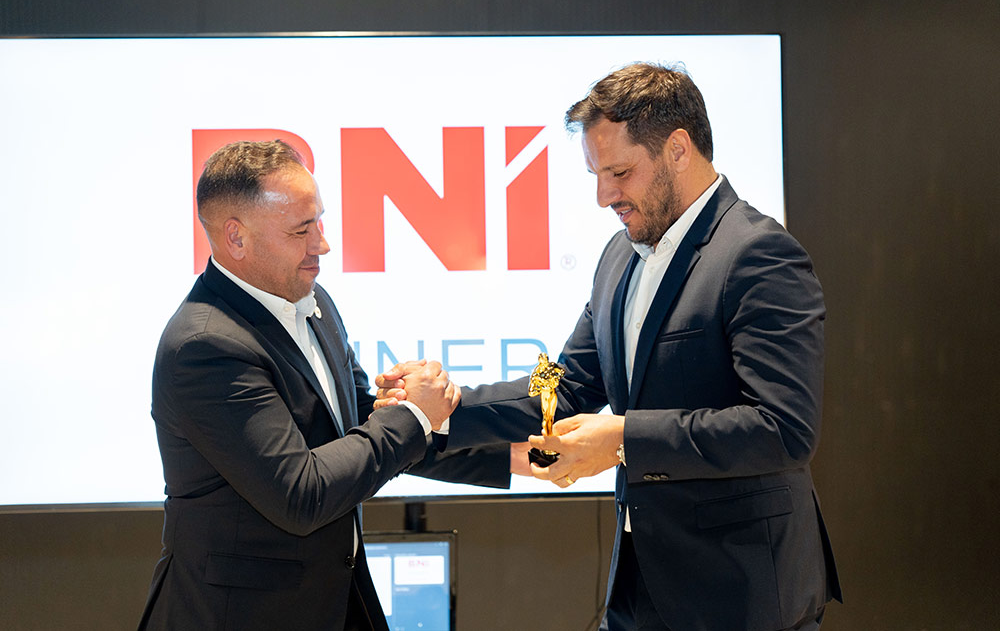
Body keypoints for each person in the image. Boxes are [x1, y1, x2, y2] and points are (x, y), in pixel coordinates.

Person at [377, 63, 842, 630]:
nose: (604, 196)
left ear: (678, 149)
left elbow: (783, 429)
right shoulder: (619, 255)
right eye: (596, 175)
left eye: (619, 172)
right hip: (639, 590)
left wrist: (622, 439)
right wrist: (442, 410)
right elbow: (565, 385)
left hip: (742, 595)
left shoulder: (759, 254)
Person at [138, 140, 512, 631]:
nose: (322, 244)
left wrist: (509, 455)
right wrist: (414, 414)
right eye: (301, 230)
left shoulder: (313, 303)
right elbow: (302, 493)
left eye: (319, 222)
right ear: (236, 238)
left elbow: (362, 425)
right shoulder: (204, 346)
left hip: (334, 602)